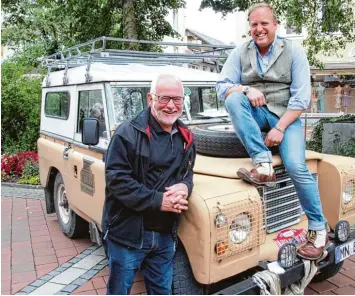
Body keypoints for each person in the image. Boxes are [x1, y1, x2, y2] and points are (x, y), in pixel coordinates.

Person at [216, 2, 328, 260]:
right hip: (256, 113)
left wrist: (279, 128)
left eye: (264, 23)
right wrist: (245, 89)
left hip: (286, 117)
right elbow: (222, 86)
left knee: (296, 166)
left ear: (275, 25)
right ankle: (263, 164)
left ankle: (318, 229)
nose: (259, 29)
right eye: (254, 24)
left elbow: (301, 99)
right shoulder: (240, 53)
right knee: (233, 98)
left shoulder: (294, 51)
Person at [102, 74, 196, 295]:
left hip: (165, 234)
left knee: (162, 291)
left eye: (177, 99)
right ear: (150, 99)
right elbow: (117, 180)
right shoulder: (127, 134)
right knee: (118, 291)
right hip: (128, 234)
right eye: (164, 98)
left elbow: (188, 173)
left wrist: (185, 187)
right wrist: (158, 201)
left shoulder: (186, 137)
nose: (171, 106)